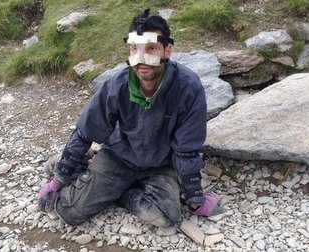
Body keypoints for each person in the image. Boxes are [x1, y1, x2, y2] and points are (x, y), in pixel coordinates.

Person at [38, 9, 222, 227]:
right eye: (135, 48)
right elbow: (86, 130)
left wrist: (194, 198)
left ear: (167, 50)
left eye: (151, 48)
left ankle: (120, 192)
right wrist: (59, 178)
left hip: (161, 164)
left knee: (167, 216)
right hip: (119, 156)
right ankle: (77, 166)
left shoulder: (188, 87)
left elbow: (187, 148)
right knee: (69, 212)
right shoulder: (117, 86)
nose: (141, 58)